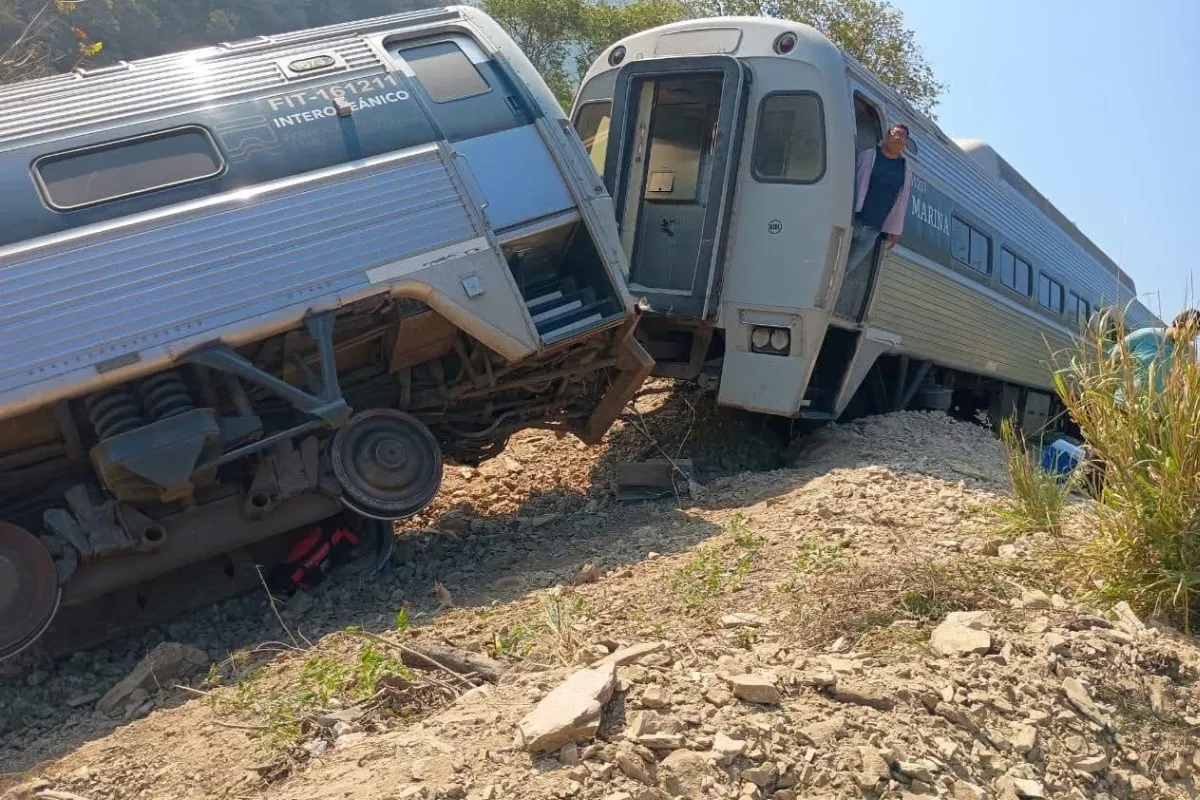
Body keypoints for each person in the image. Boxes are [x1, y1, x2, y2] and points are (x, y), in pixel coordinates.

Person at [843, 124, 914, 275]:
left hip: (872, 230)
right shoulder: (867, 156)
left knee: (846, 268)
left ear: (906, 143)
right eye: (895, 134)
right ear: (887, 136)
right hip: (850, 219)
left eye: (902, 136)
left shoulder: (905, 169)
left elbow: (901, 201)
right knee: (832, 261)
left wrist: (896, 229)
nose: (898, 138)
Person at [1115, 308, 1200, 405]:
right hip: (1124, 403)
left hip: (1156, 412)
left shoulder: (1187, 351)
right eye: (1191, 334)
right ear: (1180, 325)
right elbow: (1114, 356)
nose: (1192, 339)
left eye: (1195, 336)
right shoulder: (1146, 335)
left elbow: (1186, 381)